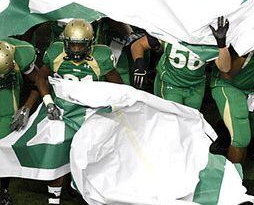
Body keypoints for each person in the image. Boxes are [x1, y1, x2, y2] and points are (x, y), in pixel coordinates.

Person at [36, 19, 122, 205]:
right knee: (57, 152)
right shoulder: (55, 52)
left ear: (91, 43)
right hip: (61, 110)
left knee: (88, 156)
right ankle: (54, 198)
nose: (75, 49)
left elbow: (117, 86)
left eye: (80, 45)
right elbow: (41, 76)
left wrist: (104, 102)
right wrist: (48, 102)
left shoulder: (102, 56)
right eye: (72, 44)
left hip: (89, 113)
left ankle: (81, 189)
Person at [131, 17, 231, 110]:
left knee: (190, 122)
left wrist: (222, 44)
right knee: (171, 121)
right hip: (169, 83)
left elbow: (225, 68)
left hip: (195, 87)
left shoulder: (210, 38)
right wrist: (139, 66)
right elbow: (138, 45)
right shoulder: (170, 30)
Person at [210, 48, 254, 164]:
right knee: (241, 138)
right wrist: (246, 52)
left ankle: (252, 144)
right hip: (229, 85)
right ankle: (231, 178)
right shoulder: (241, 38)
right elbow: (226, 74)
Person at [0, 38, 38, 205]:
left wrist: (27, 107)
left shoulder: (22, 53)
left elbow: (39, 81)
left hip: (8, 107)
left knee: (4, 149)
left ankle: (3, 190)